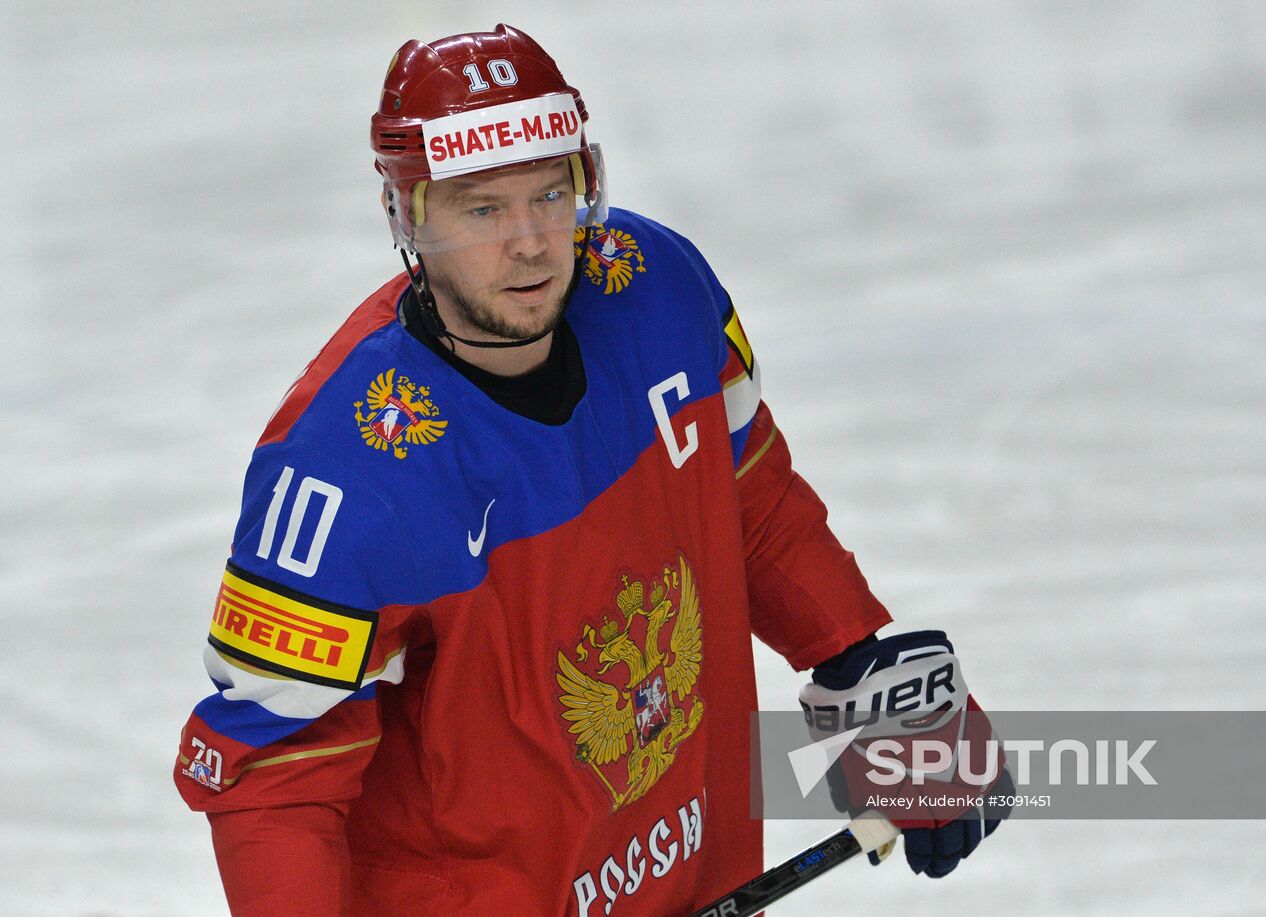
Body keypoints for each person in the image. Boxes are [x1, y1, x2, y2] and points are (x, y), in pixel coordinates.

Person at [173, 24, 1005, 916]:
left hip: (694, 867)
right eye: (482, 209)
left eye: (549, 194)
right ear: (407, 219)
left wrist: (861, 664)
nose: (531, 243)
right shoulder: (345, 469)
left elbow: (748, 503)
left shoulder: (660, 292)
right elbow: (277, 779)